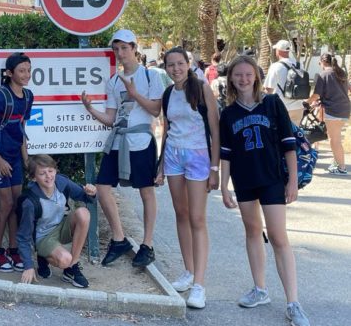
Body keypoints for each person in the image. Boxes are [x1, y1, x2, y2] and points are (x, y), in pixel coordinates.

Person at [220, 55, 310, 326]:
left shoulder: (271, 103)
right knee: (252, 231)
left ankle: (293, 302)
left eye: (248, 74)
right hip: (244, 179)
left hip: (271, 178)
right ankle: (260, 289)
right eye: (238, 75)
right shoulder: (228, 113)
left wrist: (292, 180)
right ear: (232, 78)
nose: (244, 79)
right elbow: (226, 153)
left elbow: (288, 145)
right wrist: (224, 186)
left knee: (278, 236)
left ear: (256, 76)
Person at [81, 29, 163, 268]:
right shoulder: (114, 82)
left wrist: (135, 93)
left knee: (146, 192)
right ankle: (119, 238)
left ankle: (147, 244)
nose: (120, 53)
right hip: (118, 141)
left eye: (124, 48)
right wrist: (90, 109)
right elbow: (110, 118)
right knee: (102, 187)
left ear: (134, 48)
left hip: (141, 141)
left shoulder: (150, 77)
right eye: (116, 49)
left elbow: (156, 110)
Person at [155, 47, 220, 309]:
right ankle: (188, 270)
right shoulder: (168, 93)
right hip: (173, 157)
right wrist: (160, 166)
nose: (175, 69)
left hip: (198, 157)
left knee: (197, 218)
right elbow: (166, 129)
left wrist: (215, 169)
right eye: (170, 65)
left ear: (188, 63)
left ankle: (199, 285)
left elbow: (215, 128)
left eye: (180, 64)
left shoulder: (202, 88)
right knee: (180, 214)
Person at [0, 52, 34, 272]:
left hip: (14, 157)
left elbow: (21, 129)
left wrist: (26, 160)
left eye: (29, 70)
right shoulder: (0, 97)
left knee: (16, 203)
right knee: (6, 204)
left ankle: (13, 249)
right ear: (9, 73)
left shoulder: (29, 96)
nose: (26, 74)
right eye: (22, 70)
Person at [17, 155, 96, 288]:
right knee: (65, 259)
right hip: (43, 237)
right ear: (33, 178)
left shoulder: (61, 182)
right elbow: (23, 236)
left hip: (61, 225)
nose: (48, 176)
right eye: (42, 173)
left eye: (51, 171)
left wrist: (91, 192)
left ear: (55, 170)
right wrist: (28, 266)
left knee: (83, 213)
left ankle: (72, 267)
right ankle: (43, 257)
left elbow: (84, 196)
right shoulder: (30, 202)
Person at [306, 53, 350, 175]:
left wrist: (306, 102)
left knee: (334, 140)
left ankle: (341, 168)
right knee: (336, 138)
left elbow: (316, 95)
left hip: (333, 111)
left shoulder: (323, 74)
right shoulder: (341, 73)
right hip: (344, 109)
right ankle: (337, 163)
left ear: (322, 62)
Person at [263, 40, 304, 124]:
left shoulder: (275, 66)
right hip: (298, 107)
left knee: (282, 136)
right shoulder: (299, 65)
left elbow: (268, 90)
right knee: (295, 134)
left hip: (282, 108)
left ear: (278, 51)